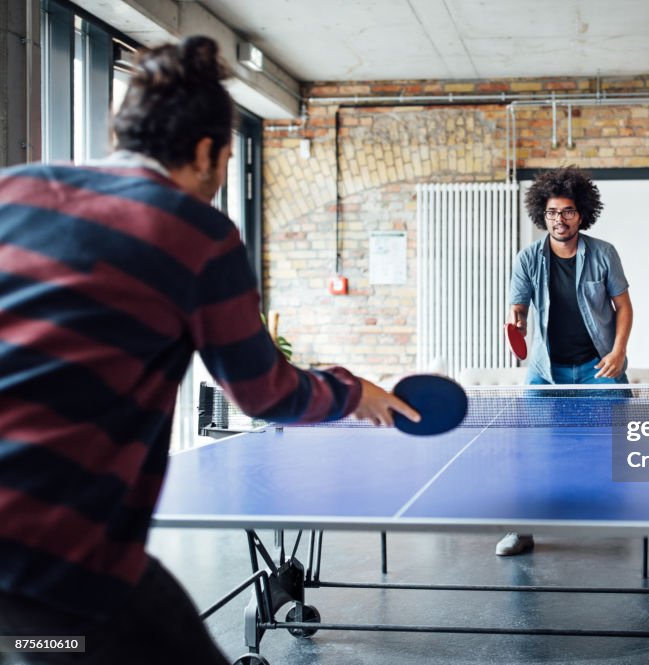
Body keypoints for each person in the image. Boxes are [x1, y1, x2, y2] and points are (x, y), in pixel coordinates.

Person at [0, 36, 417, 665]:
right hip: (50, 558)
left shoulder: (15, 189)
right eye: (225, 162)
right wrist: (356, 392)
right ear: (206, 152)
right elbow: (265, 393)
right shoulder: (193, 230)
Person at [497, 166, 633, 556]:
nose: (560, 219)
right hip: (547, 370)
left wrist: (619, 351)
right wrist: (516, 320)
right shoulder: (528, 258)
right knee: (528, 450)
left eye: (568, 211)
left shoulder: (604, 254)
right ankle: (521, 530)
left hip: (599, 366)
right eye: (553, 212)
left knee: (623, 447)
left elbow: (623, 308)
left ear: (581, 214)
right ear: (543, 214)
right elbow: (517, 308)